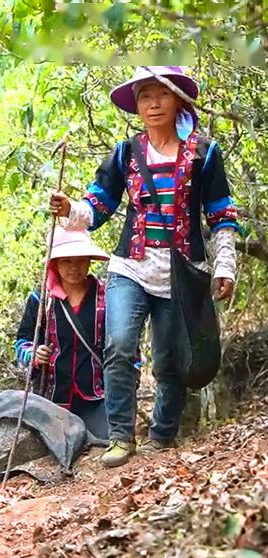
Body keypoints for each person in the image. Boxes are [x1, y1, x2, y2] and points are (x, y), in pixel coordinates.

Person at [49, 66, 240, 468]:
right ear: (136, 107)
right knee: (118, 344)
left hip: (181, 271)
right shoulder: (126, 153)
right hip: (129, 266)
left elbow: (221, 215)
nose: (153, 104)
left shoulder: (204, 154)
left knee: (170, 358)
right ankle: (121, 436)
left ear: (178, 101)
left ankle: (162, 436)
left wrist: (225, 267)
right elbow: (98, 206)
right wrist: (70, 210)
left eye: (162, 95)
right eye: (144, 97)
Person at [15, 226, 109, 440]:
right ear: (54, 264)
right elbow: (22, 341)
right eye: (66, 261)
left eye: (80, 260)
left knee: (101, 445)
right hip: (52, 398)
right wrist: (34, 355)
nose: (74, 268)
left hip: (98, 396)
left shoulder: (106, 296)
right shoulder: (41, 301)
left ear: (89, 261)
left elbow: (125, 346)